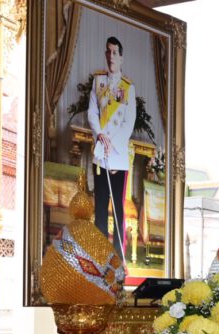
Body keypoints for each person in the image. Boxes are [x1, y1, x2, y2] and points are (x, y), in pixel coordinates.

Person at [88, 35, 136, 261]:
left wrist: (110, 143)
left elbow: (128, 123)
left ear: (121, 57)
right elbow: (92, 112)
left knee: (117, 209)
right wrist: (100, 135)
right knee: (100, 208)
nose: (111, 56)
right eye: (108, 52)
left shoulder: (128, 88)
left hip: (116, 158)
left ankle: (117, 259)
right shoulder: (98, 82)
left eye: (115, 52)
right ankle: (99, 256)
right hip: (100, 155)